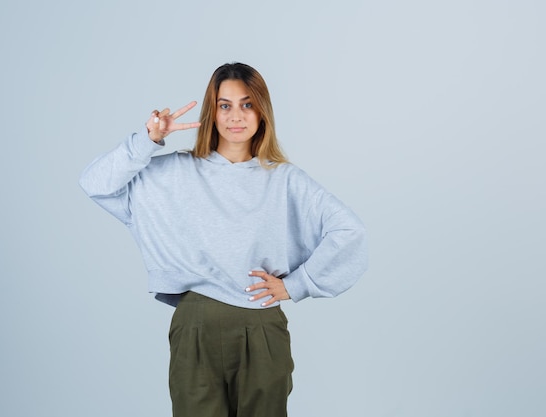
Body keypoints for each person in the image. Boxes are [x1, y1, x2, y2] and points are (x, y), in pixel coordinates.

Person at [79, 62, 368, 417]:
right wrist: (147, 141)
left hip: (261, 325)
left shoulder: (286, 180)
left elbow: (349, 231)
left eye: (247, 104)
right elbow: (95, 183)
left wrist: (298, 284)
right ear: (211, 111)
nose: (236, 116)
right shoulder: (173, 172)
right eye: (225, 105)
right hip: (196, 322)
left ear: (262, 112)